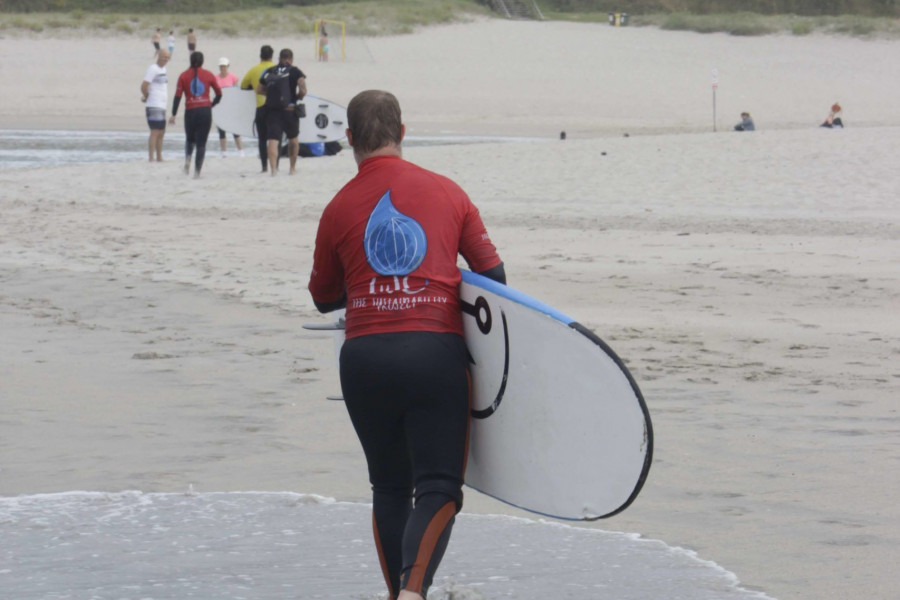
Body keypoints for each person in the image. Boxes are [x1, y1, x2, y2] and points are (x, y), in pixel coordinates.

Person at [308, 90, 506, 600]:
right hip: (433, 353)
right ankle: (414, 593)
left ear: (349, 138)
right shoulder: (448, 192)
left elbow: (323, 298)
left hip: (364, 358)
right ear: (403, 131)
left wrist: (369, 286)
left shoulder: (337, 208)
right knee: (438, 485)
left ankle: (399, 595)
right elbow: (494, 277)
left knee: (389, 486)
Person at [169, 51, 222, 178]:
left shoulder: (183, 76)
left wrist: (173, 114)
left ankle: (187, 163)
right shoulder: (209, 75)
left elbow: (177, 97)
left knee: (190, 139)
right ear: (202, 61)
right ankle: (197, 173)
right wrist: (211, 104)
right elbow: (219, 93)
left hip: (191, 111)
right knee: (201, 143)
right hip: (205, 111)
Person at [256, 48, 306, 175]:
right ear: (291, 59)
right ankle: (292, 168)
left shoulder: (270, 71)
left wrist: (272, 95)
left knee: (273, 140)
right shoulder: (295, 71)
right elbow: (303, 90)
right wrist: (297, 96)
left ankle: (273, 169)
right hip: (290, 110)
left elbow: (259, 89)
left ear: (279, 59)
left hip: (273, 111)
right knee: (293, 139)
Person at [240, 45, 275, 173]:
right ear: (272, 56)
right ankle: (274, 165)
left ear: (260, 55)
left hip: (260, 108)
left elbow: (243, 86)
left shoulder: (253, 70)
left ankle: (264, 166)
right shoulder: (276, 69)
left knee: (262, 138)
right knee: (274, 138)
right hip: (274, 108)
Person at [140, 49, 170, 162]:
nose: (165, 59)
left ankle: (159, 156)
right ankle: (151, 157)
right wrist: (146, 96)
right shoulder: (153, 69)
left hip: (162, 105)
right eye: (164, 56)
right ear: (159, 56)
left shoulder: (164, 69)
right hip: (154, 104)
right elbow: (144, 85)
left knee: (162, 131)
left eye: (167, 57)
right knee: (155, 131)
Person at [214, 57, 243, 157]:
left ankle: (240, 151)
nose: (223, 68)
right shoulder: (216, 78)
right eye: (221, 66)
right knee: (221, 130)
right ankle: (224, 151)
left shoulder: (233, 77)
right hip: (220, 106)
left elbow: (236, 91)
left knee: (235, 129)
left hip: (230, 106)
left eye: (224, 66)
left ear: (228, 66)